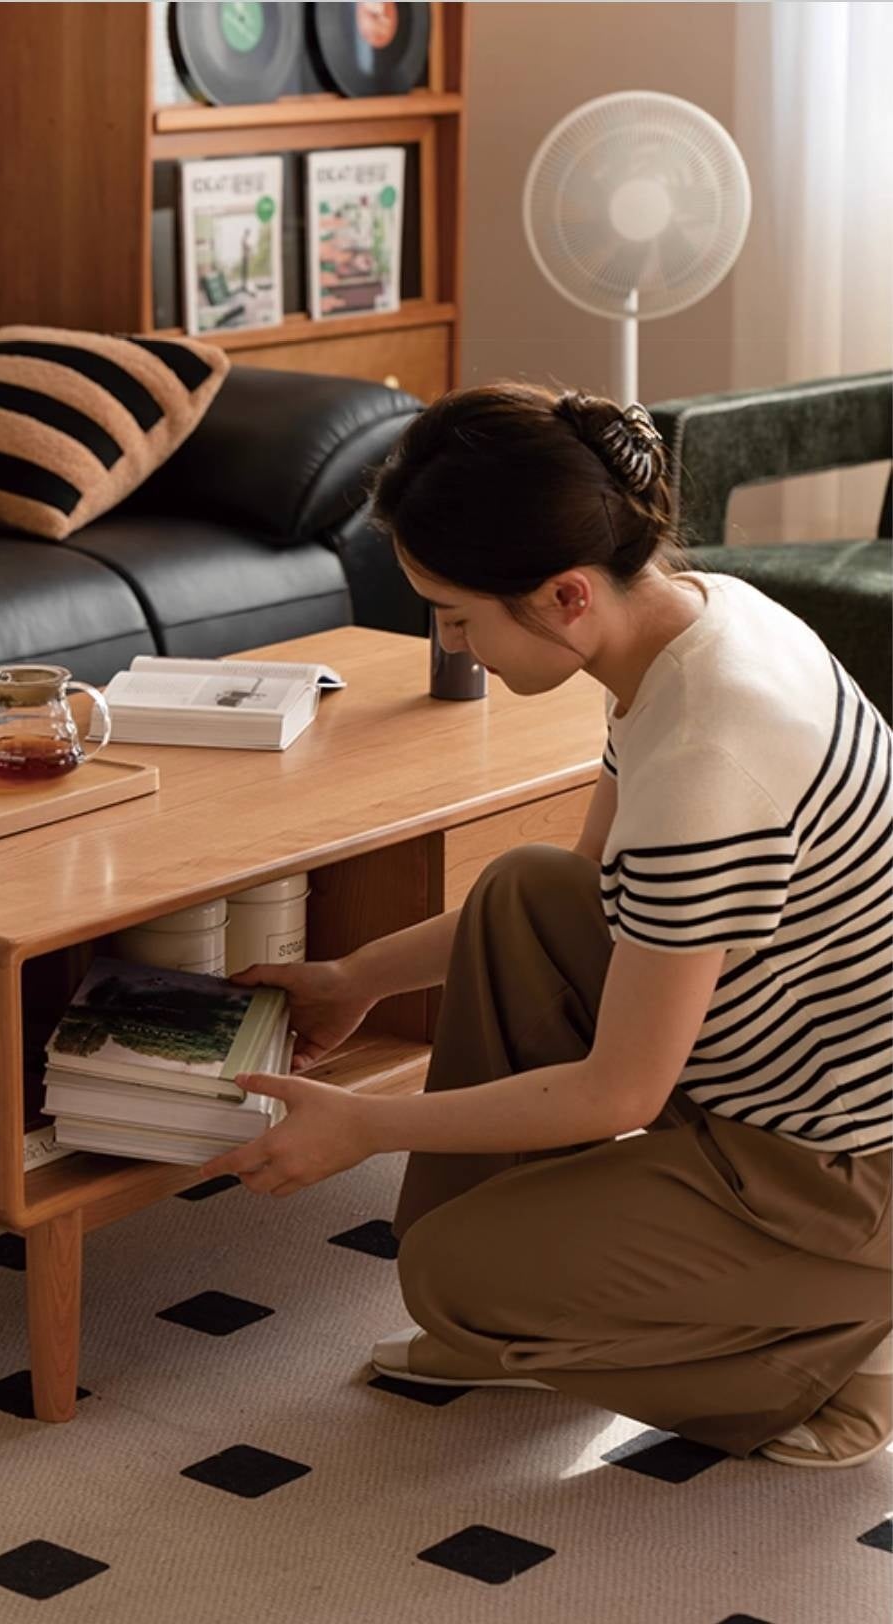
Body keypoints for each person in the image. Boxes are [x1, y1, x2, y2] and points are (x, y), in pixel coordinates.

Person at [197, 382, 892, 1469]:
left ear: (567, 594)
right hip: (772, 1081)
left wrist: (363, 1125)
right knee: (525, 894)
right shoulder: (695, 623)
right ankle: (533, 1305)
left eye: (458, 614)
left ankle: (837, 1355)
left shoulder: (709, 756)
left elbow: (622, 1091)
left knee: (454, 1278)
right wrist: (356, 974)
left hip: (840, 1170)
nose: (449, 640)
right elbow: (589, 891)